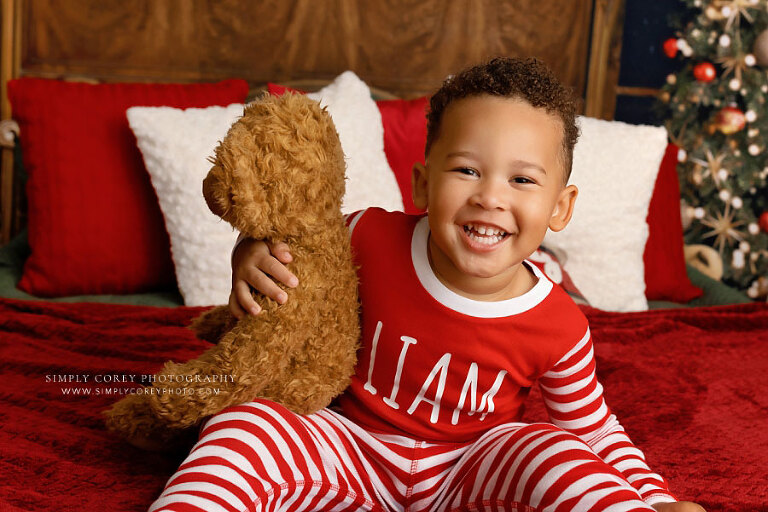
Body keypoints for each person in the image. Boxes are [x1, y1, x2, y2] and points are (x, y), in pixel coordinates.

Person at [149, 58, 705, 512]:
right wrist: (251, 251)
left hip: (469, 476)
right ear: (422, 182)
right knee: (249, 419)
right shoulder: (366, 234)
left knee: (552, 447)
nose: (490, 196)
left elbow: (596, 431)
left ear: (559, 207)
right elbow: (292, 248)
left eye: (521, 179)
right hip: (345, 450)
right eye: (466, 170)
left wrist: (657, 498)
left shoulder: (558, 323)